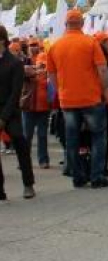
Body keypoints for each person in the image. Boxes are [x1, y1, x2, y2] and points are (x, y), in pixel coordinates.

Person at [46, 9, 108, 189]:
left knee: (72, 139)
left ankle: (77, 176)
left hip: (68, 100)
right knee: (98, 137)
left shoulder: (55, 46)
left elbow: (51, 75)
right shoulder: (90, 42)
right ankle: (97, 176)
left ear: (65, 24)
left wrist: (61, 89)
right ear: (82, 23)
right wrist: (104, 91)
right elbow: (103, 70)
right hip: (91, 98)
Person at [0, 26, 35, 200]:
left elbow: (15, 94)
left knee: (20, 142)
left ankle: (28, 184)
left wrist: (3, 117)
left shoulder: (14, 63)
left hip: (11, 110)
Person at [22, 38, 51, 169]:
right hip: (28, 105)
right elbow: (23, 72)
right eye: (31, 45)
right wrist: (36, 70)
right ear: (27, 47)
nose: (33, 47)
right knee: (26, 136)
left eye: (35, 45)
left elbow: (48, 72)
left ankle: (43, 160)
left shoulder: (44, 58)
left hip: (43, 105)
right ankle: (23, 161)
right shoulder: (23, 61)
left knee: (42, 135)